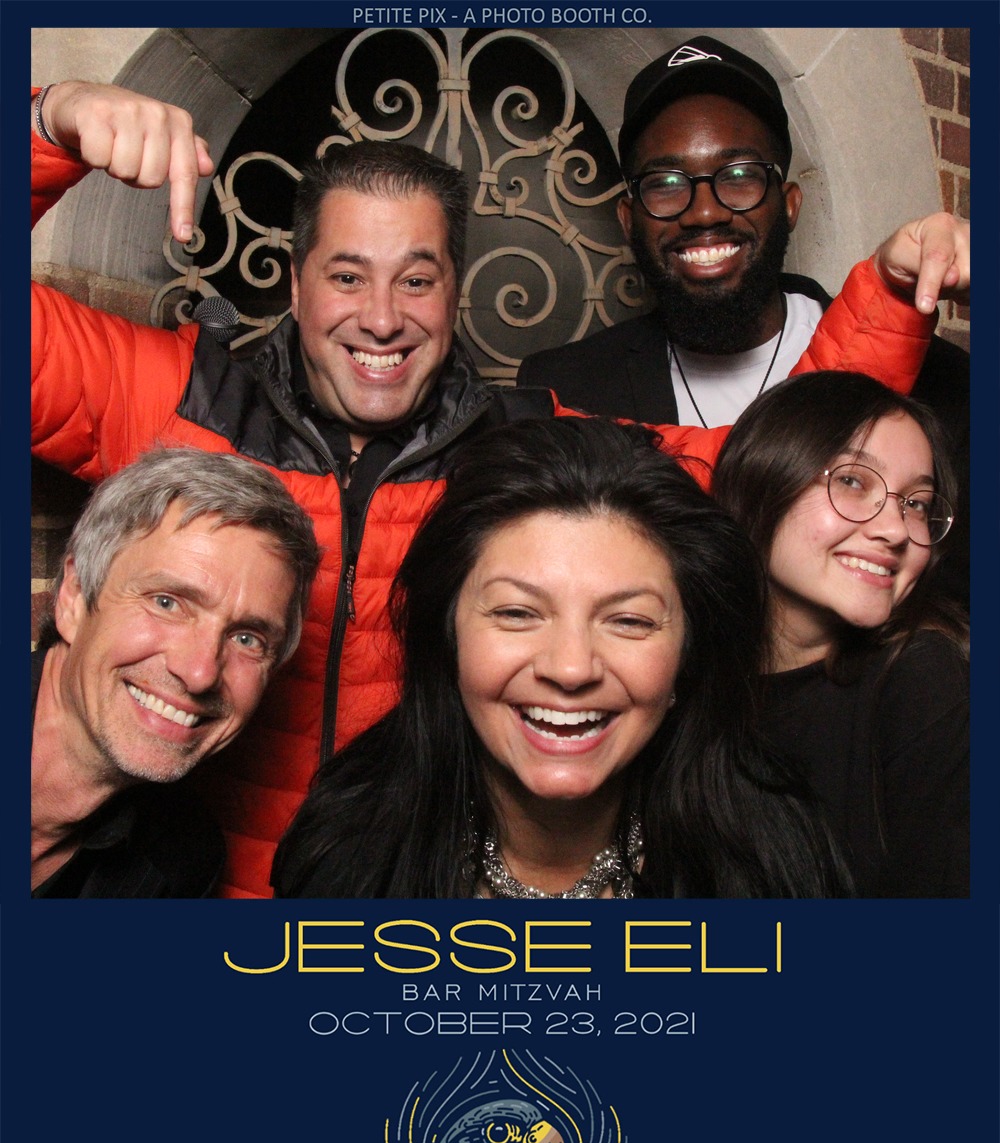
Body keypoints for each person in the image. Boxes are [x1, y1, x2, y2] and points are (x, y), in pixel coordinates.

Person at [31, 79, 963, 898]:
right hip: (182, 893)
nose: (383, 318)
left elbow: (775, 464)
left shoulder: (523, 451)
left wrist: (890, 294)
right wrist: (49, 125)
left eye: (418, 279)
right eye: (348, 276)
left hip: (401, 895)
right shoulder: (174, 397)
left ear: (456, 294)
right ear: (298, 285)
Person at [272, 416, 852, 899]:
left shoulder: (772, 861)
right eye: (517, 613)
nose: (571, 669)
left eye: (629, 621)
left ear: (687, 657)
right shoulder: (347, 849)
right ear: (447, 640)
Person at [515, 35, 971, 604]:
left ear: (789, 204)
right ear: (629, 220)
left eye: (739, 175)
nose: (704, 211)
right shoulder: (564, 389)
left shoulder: (937, 383)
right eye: (665, 184)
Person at [712, 371, 968, 898]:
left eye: (917, 503)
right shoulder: (685, 672)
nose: (895, 530)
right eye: (853, 481)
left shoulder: (924, 680)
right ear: (763, 477)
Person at [31, 448, 320, 898]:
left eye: (247, 639)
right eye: (167, 603)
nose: (200, 672)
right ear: (74, 598)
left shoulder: (184, 860)